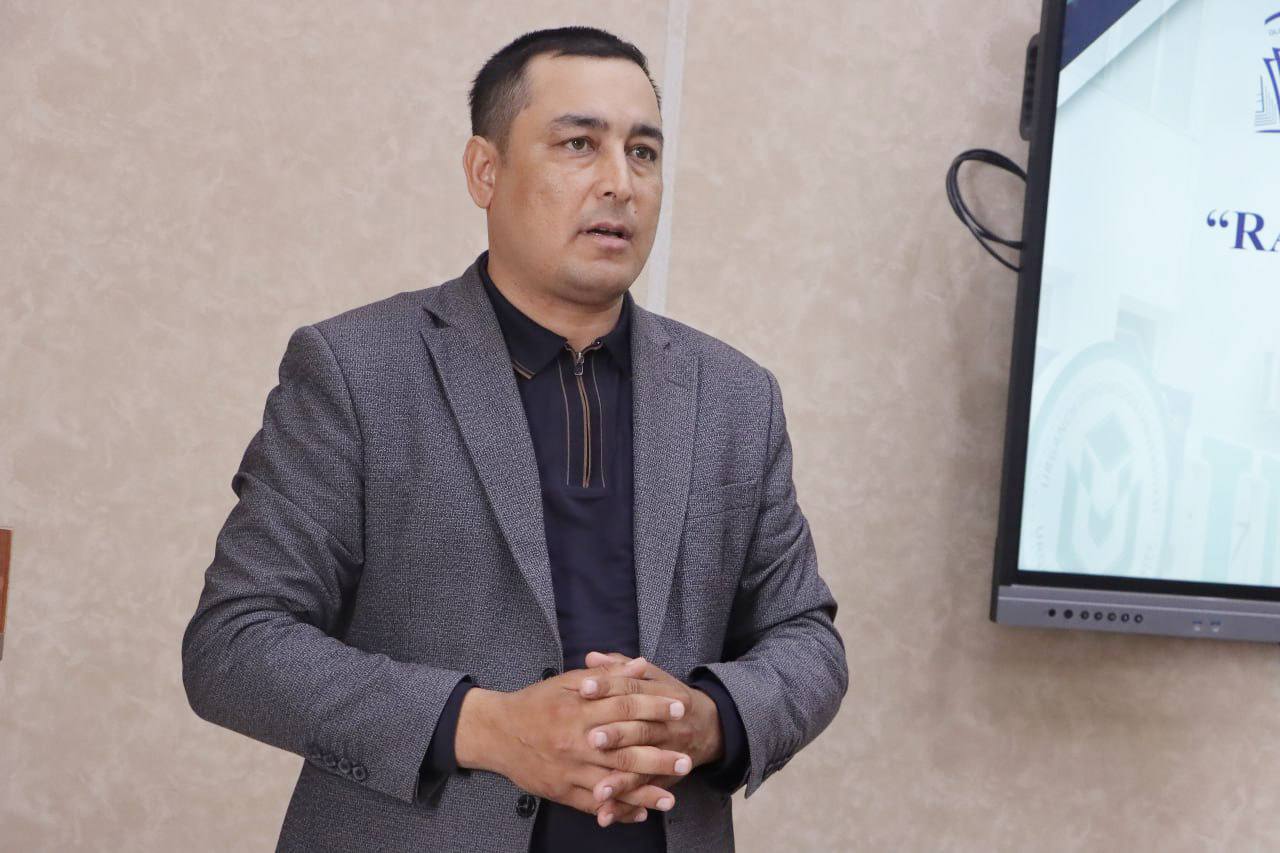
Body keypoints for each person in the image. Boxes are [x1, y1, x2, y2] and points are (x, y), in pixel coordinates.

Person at [181, 25, 847, 853]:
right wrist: (486, 726)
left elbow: (806, 637)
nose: (620, 183)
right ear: (485, 172)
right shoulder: (356, 371)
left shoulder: (735, 395)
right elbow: (235, 642)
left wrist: (708, 718)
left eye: (643, 152)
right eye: (579, 144)